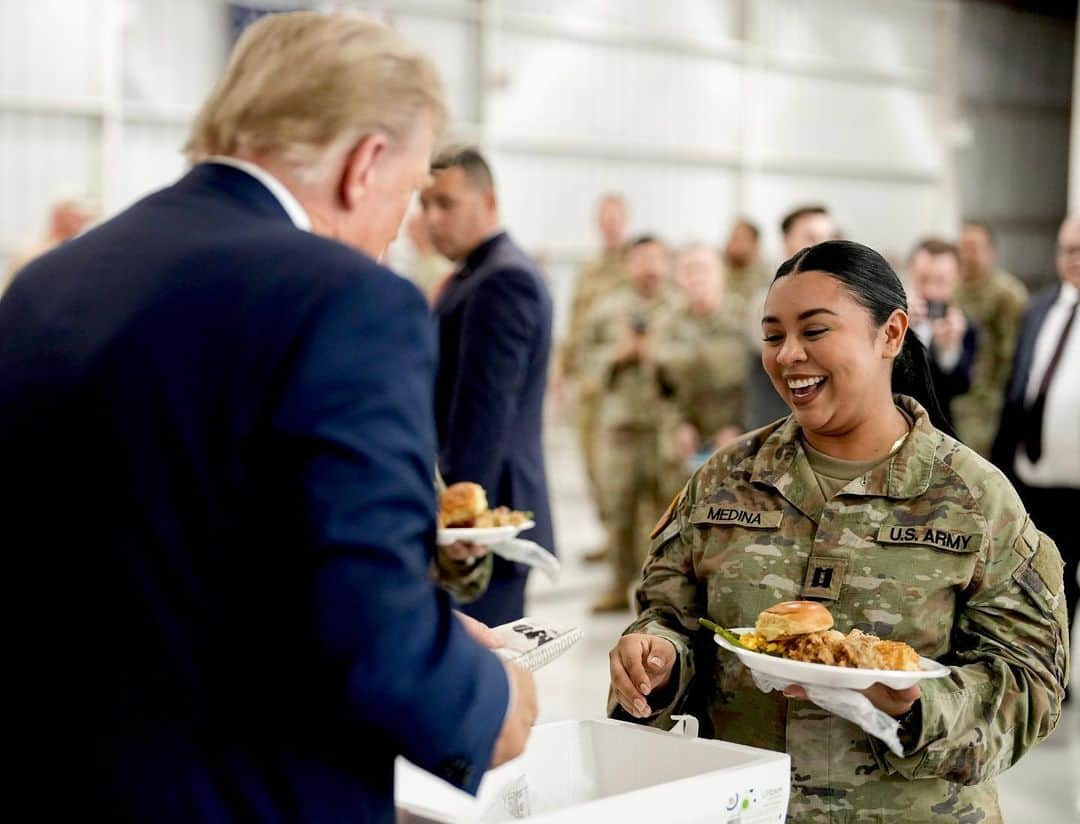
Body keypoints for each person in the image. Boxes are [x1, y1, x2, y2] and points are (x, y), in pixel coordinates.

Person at [0, 14, 536, 821]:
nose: (403, 228)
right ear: (366, 165)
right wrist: (486, 699)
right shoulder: (348, 301)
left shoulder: (54, 282)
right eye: (412, 190)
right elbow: (371, 636)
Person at [609, 240, 1067, 822]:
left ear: (890, 334)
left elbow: (1031, 684)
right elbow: (668, 616)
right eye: (773, 336)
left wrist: (917, 708)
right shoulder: (725, 480)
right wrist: (657, 657)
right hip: (749, 808)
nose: (788, 355)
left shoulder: (973, 499)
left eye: (815, 331)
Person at [423, 146, 555, 627]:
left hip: (485, 520)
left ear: (489, 202)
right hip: (480, 513)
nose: (433, 218)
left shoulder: (502, 281)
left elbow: (483, 414)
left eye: (447, 203)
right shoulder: (476, 274)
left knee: (486, 673)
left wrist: (458, 520)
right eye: (425, 204)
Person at [992, 215, 1080, 640]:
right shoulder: (1041, 306)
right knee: (1040, 581)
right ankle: (1044, 669)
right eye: (1067, 249)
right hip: (1035, 475)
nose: (1074, 259)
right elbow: (1018, 385)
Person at [584, 236, 680, 613]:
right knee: (618, 508)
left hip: (666, 428)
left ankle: (661, 590)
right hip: (620, 425)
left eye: (656, 258)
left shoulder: (679, 307)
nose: (649, 266)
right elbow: (583, 362)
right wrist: (616, 354)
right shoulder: (606, 310)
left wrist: (659, 354)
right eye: (641, 259)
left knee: (668, 510)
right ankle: (617, 583)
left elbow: (696, 364)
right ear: (628, 265)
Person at [562, 193, 630, 562]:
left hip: (618, 384)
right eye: (604, 218)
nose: (610, 224)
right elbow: (575, 322)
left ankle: (623, 545)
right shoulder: (589, 269)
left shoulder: (632, 267)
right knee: (590, 461)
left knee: (612, 467)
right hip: (588, 381)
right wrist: (562, 371)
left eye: (615, 218)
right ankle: (609, 536)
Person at [663, 243, 747, 499]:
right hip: (686, 442)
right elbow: (661, 386)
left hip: (741, 437)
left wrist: (741, 427)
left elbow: (763, 383)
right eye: (688, 270)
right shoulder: (667, 324)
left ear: (721, 273)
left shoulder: (748, 318)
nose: (696, 277)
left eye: (703, 269)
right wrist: (679, 425)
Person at [743, 205, 837, 430]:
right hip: (776, 436)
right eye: (811, 237)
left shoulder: (843, 299)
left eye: (829, 238)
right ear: (786, 242)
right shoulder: (764, 300)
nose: (822, 246)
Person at [953, 221, 1028, 457]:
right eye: (962, 248)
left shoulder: (1008, 294)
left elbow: (1015, 354)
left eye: (974, 248)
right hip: (956, 397)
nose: (967, 255)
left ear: (991, 251)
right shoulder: (952, 289)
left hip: (989, 404)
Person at [906, 238, 978, 427]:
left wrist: (948, 351)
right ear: (911, 271)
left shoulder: (964, 327)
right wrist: (900, 332)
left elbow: (960, 387)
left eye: (940, 281)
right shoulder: (888, 317)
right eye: (924, 279)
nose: (930, 290)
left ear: (956, 280)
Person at [2, 193, 98, 292]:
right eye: (76, 217)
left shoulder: (81, 253)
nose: (82, 223)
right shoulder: (31, 253)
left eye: (84, 220)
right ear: (59, 215)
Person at [401, 209, 452, 302]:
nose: (408, 233)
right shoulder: (417, 260)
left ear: (424, 230)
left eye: (412, 227)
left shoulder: (440, 265)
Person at [721, 217, 768, 304]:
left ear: (754, 244)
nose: (731, 244)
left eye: (737, 238)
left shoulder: (767, 278)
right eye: (731, 237)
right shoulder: (720, 274)